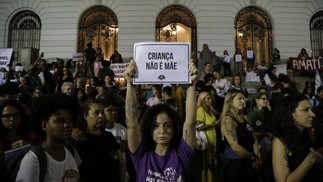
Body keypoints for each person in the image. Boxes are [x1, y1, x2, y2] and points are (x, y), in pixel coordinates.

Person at [124, 59, 198, 181]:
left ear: (174, 128)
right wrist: (130, 84)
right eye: (155, 126)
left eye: (168, 125)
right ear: (149, 128)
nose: (162, 131)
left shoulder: (182, 155)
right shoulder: (141, 155)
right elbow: (131, 123)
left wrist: (192, 83)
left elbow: (190, 123)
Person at [16, 93, 82, 182]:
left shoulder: (71, 152)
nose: (67, 125)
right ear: (44, 126)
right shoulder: (33, 160)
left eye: (69, 119)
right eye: (59, 121)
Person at [69, 98, 126, 182]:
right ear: (85, 116)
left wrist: (122, 180)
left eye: (102, 112)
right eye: (96, 113)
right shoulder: (78, 138)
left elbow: (121, 162)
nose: (101, 116)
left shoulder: (109, 136)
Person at [272, 93, 323, 182]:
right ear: (290, 113)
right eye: (306, 110)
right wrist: (311, 158)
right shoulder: (280, 142)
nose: (312, 114)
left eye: (311, 109)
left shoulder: (307, 133)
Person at [220, 89, 261, 182]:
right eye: (240, 98)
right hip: (235, 164)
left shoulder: (243, 117)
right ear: (230, 100)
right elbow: (235, 146)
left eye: (244, 98)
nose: (243, 101)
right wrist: (252, 157)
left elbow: (253, 138)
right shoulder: (228, 119)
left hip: (249, 162)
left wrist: (257, 158)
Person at [196, 91, 219, 182]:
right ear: (202, 101)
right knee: (206, 166)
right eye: (208, 99)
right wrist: (214, 125)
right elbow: (200, 127)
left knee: (213, 165)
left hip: (213, 142)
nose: (210, 101)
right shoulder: (200, 110)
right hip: (205, 143)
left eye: (211, 99)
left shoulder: (210, 110)